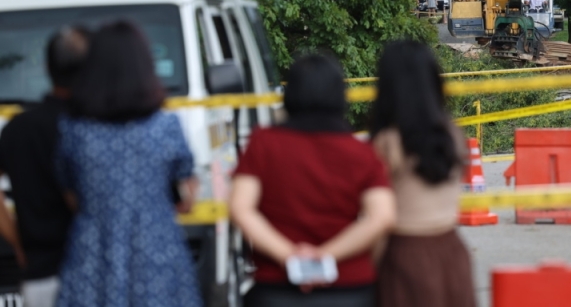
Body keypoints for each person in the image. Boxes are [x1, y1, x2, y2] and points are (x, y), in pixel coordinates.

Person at [229, 53, 395, 307]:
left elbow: (241, 208)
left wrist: (290, 257)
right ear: (340, 96)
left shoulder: (263, 144)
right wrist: (324, 256)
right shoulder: (361, 152)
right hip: (350, 289)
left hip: (276, 287)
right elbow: (381, 217)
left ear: (290, 94)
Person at [55, 21, 200, 307]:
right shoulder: (166, 126)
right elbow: (188, 195)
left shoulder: (75, 130)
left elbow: (70, 194)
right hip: (158, 249)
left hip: (93, 252)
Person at [369, 40, 476, 307]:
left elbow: (379, 221)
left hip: (405, 254)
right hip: (452, 252)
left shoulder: (387, 142)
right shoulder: (452, 135)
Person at [0, 27, 89, 307]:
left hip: (41, 274)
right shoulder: (99, 127)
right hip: (101, 273)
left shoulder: (18, 129)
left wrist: (18, 242)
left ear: (47, 68)